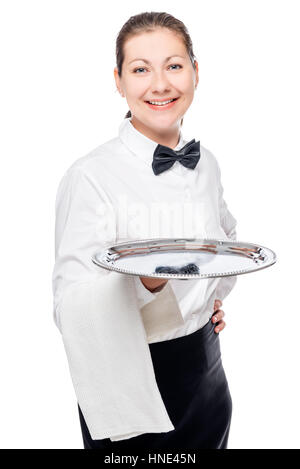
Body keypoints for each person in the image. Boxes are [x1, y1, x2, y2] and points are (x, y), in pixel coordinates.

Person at [52, 11, 237, 450]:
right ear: (118, 81)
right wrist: (150, 282)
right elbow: (69, 305)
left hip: (209, 375)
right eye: (140, 69)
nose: (160, 84)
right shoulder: (90, 176)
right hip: (132, 380)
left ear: (195, 71)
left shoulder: (205, 161)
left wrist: (209, 301)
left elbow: (224, 242)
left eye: (174, 65)